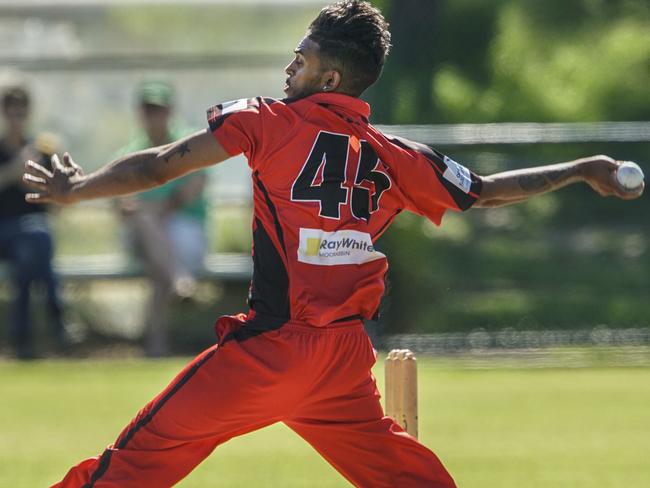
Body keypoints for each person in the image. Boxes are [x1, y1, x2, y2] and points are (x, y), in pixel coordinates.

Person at [23, 1, 642, 486]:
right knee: (407, 478)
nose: (290, 65)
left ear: (330, 74)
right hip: (342, 360)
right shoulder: (395, 155)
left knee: (136, 462)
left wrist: (77, 190)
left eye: (301, 56)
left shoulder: (267, 120)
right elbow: (484, 191)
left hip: (270, 352)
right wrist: (582, 168)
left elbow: (161, 166)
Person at [118, 80, 208, 357]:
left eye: (159, 109)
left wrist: (154, 207)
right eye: (148, 110)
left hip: (184, 232)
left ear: (170, 111)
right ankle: (179, 278)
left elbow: (192, 191)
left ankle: (156, 344)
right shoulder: (128, 153)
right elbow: (122, 205)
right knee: (146, 223)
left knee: (159, 269)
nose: (154, 116)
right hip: (143, 237)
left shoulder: (190, 145)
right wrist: (152, 209)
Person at [0, 85, 68, 359]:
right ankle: (56, 314)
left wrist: (43, 182)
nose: (17, 118)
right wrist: (12, 171)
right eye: (12, 112)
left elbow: (58, 205)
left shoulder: (41, 151)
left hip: (36, 235)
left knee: (34, 244)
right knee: (37, 240)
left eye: (22, 112)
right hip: (5, 232)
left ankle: (22, 334)